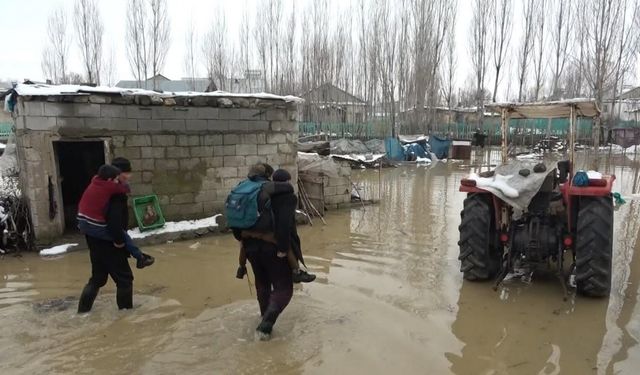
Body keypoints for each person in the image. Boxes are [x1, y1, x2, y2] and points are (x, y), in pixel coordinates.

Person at [230, 164, 297, 340]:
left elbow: (234, 219)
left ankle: (263, 320)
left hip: (249, 247)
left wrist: (244, 239)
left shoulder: (241, 189)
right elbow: (283, 225)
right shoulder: (278, 194)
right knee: (284, 288)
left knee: (262, 283)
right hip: (271, 246)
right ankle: (266, 325)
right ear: (268, 176)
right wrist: (283, 248)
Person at [77, 157, 143, 313]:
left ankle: (82, 312)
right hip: (110, 240)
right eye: (126, 173)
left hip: (93, 238)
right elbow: (114, 221)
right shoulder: (115, 193)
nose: (129, 176)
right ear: (117, 175)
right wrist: (119, 241)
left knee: (98, 278)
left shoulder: (99, 185)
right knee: (125, 279)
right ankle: (125, 316)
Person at [237, 169, 315, 283]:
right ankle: (296, 272)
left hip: (248, 232)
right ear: (286, 181)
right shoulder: (285, 196)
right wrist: (282, 246)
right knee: (286, 247)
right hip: (266, 234)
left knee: (244, 245)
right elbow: (283, 223)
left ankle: (241, 267)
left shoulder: (254, 191)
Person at [77, 164, 154, 269]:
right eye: (117, 179)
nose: (118, 181)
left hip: (83, 221)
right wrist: (119, 241)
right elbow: (124, 189)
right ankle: (140, 257)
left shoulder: (95, 182)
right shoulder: (109, 187)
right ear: (109, 179)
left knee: (98, 265)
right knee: (122, 236)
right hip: (93, 224)